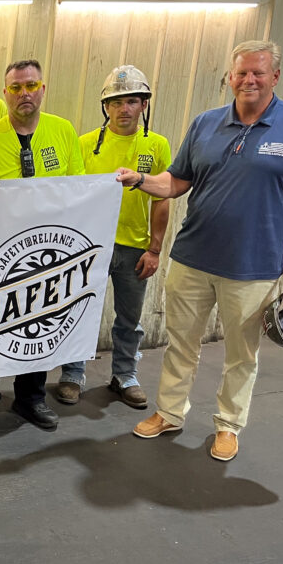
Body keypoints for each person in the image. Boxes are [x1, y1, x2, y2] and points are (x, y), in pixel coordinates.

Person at [119, 41, 283, 461]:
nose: (249, 80)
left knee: (241, 354)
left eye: (258, 73)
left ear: (275, 77)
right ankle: (170, 413)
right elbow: (175, 181)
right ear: (230, 76)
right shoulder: (205, 124)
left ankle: (228, 426)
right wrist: (138, 178)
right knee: (180, 345)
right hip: (192, 259)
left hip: (254, 267)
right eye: (241, 72)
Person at [0, 59, 84, 434]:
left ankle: (30, 396)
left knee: (40, 326)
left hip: (50, 253)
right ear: (5, 94)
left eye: (31, 85)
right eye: (15, 88)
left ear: (43, 89)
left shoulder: (63, 132)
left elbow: (80, 187)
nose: (24, 94)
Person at [56, 66, 171, 408]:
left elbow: (162, 199)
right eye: (116, 102)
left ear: (144, 105)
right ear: (105, 106)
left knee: (129, 319)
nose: (123, 109)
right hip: (90, 245)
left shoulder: (157, 145)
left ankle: (124, 374)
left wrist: (155, 248)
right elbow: (69, 196)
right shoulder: (84, 144)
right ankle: (72, 373)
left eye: (131, 101)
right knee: (78, 311)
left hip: (135, 246)